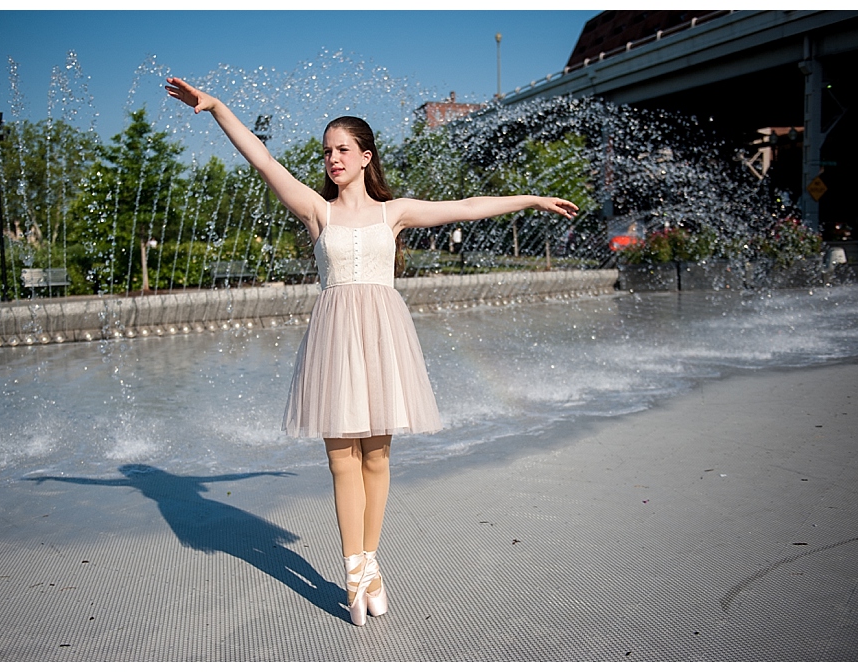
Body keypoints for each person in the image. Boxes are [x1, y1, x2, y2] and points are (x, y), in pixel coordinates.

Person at [166, 76, 579, 626]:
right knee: (341, 459)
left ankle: (370, 563)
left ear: (365, 156)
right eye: (327, 152)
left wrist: (531, 198)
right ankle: (355, 567)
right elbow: (262, 160)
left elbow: (468, 206)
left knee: (377, 456)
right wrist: (217, 107)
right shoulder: (318, 212)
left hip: (383, 336)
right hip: (335, 338)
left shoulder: (394, 213)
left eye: (343, 150)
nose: (333, 159)